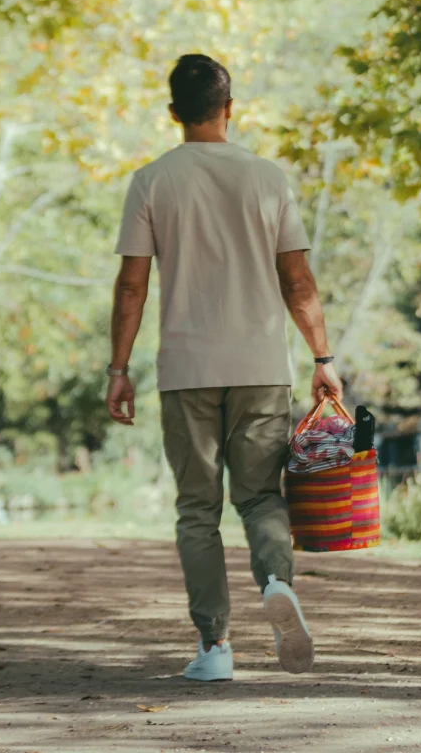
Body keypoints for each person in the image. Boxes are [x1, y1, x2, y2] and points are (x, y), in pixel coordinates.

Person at [106, 54, 344, 681]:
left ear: (174, 113)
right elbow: (299, 281)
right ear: (230, 108)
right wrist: (322, 357)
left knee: (196, 510)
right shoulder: (268, 179)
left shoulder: (151, 181)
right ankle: (276, 583)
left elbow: (132, 287)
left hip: (186, 367)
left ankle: (214, 648)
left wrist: (118, 368)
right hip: (262, 364)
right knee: (262, 495)